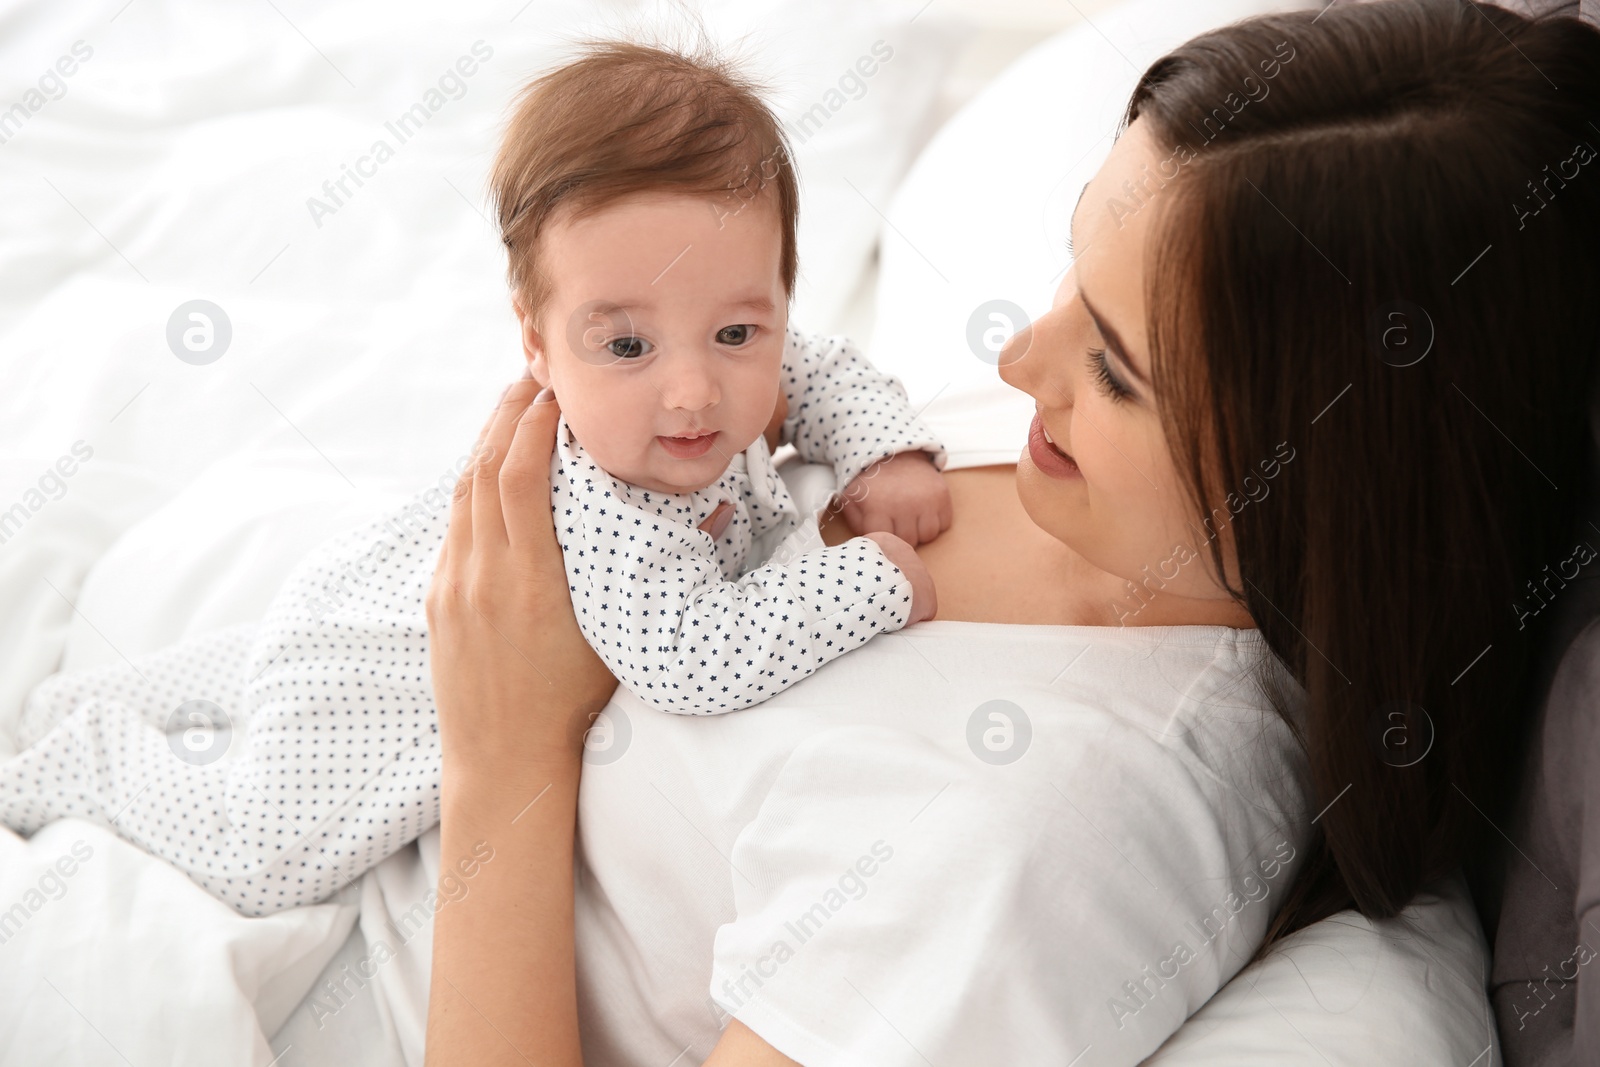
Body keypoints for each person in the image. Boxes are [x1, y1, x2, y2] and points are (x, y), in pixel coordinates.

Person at [423, 1, 1600, 1064]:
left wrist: (507, 758)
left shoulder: (1040, 837)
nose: (1017, 358)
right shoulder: (1066, 463)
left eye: (1116, 368)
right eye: (1071, 273)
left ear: (1328, 481)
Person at [493, 42, 947, 714]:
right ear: (537, 341)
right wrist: (872, 578)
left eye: (734, 333)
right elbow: (694, 658)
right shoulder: (603, 507)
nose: (694, 390)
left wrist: (883, 453)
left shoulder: (740, 352)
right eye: (626, 345)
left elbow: (822, 369)